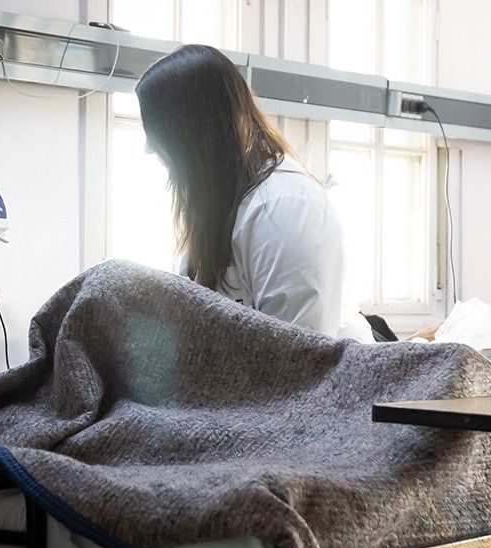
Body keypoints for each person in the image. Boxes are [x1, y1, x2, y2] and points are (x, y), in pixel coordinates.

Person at [135, 44, 372, 342]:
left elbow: (300, 359)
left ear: (192, 133)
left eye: (156, 131)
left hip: (324, 382)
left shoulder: (284, 208)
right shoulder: (216, 209)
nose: (149, 148)